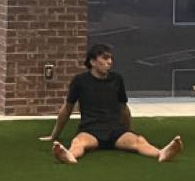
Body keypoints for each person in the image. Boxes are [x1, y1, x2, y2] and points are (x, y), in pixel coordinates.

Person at [40, 43, 183, 164]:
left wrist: (129, 131)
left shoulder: (117, 79)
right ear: (92, 61)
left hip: (115, 131)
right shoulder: (80, 81)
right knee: (78, 142)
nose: (110, 62)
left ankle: (161, 153)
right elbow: (67, 108)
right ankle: (70, 156)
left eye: (111, 59)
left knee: (139, 141)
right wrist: (54, 135)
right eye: (105, 58)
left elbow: (124, 109)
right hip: (91, 130)